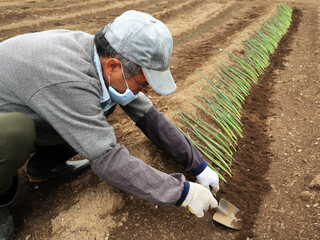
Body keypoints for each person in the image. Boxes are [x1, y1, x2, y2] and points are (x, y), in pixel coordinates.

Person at [0, 10, 220, 239]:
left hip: (29, 104)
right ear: (114, 66)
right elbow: (107, 160)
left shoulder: (98, 59)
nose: (143, 92)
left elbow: (149, 117)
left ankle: (44, 167)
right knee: (15, 132)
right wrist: (183, 192)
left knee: (99, 108)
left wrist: (198, 165)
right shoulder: (70, 78)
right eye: (143, 84)